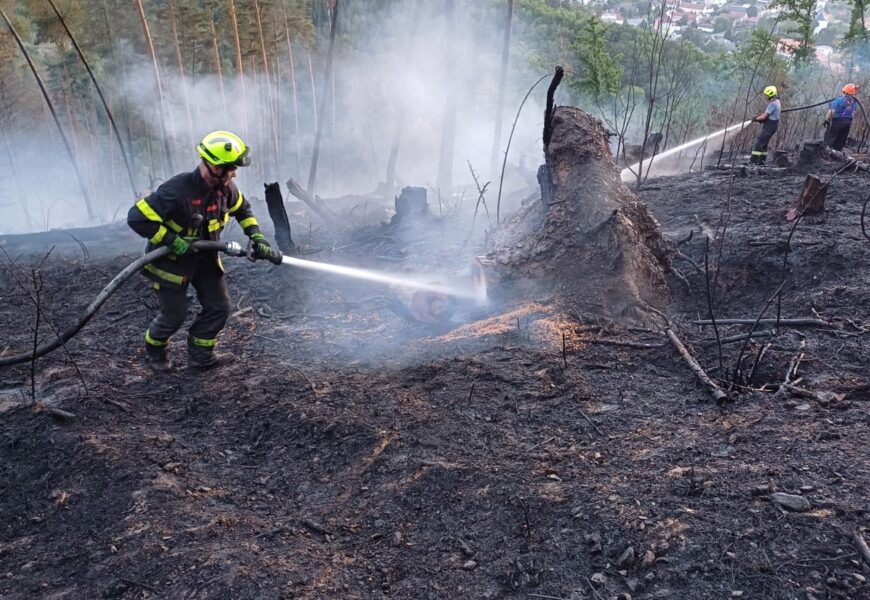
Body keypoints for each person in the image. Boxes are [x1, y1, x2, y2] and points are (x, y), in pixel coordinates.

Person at [127, 131, 274, 372]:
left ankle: (201, 357)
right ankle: (156, 352)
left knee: (218, 308)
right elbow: (137, 218)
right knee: (174, 316)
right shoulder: (176, 189)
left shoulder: (227, 189)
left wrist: (256, 235)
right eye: (229, 168)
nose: (234, 173)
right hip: (171, 264)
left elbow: (243, 210)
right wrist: (172, 240)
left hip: (205, 261)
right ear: (213, 166)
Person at [749, 85, 781, 165]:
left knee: (758, 143)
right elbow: (769, 116)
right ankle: (762, 162)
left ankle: (753, 162)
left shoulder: (772, 104)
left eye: (767, 95)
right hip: (773, 126)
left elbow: (764, 116)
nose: (766, 96)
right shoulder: (778, 103)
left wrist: (756, 119)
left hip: (769, 127)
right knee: (764, 144)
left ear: (770, 94)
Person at [824, 83, 859, 151]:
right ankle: (838, 152)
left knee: (831, 137)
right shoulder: (854, 102)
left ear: (844, 92)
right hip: (848, 122)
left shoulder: (838, 100)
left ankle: (828, 151)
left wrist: (827, 120)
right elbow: (853, 112)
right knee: (842, 138)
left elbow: (831, 112)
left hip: (838, 121)